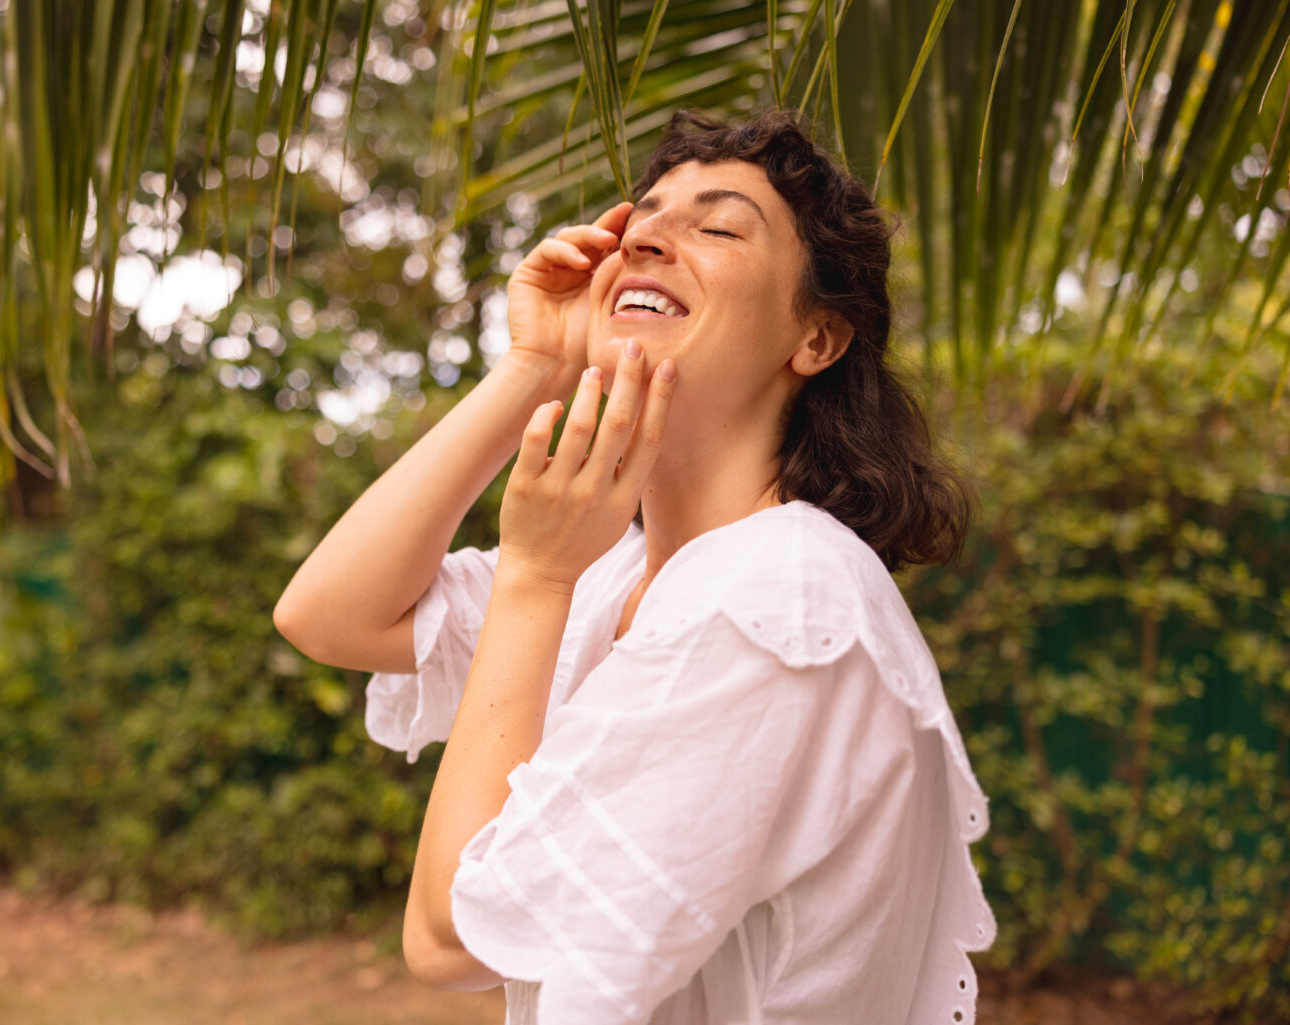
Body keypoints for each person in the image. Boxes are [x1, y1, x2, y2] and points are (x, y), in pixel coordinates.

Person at [273, 107, 996, 1025]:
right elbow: (331, 615)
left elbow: (450, 937)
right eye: (643, 216)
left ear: (816, 337)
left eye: (720, 225)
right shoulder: (618, 572)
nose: (647, 235)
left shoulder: (780, 600)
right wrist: (535, 363)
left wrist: (534, 579)